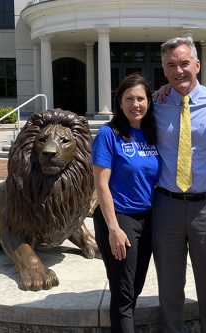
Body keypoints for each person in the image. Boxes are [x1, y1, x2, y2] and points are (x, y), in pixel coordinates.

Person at [152, 37, 206, 333]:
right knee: (169, 282)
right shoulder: (155, 104)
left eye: (184, 63)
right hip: (166, 206)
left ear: (197, 65)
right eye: (171, 65)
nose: (179, 71)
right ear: (164, 70)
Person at [92, 73, 161, 333]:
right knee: (122, 293)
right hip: (119, 217)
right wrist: (113, 228)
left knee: (134, 288)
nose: (136, 104)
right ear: (119, 102)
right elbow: (101, 185)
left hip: (148, 217)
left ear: (149, 102)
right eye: (129, 98)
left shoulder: (151, 134)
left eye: (141, 98)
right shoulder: (108, 135)